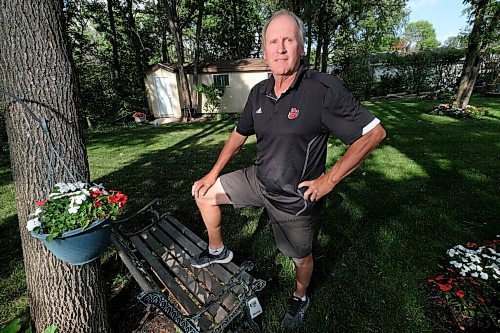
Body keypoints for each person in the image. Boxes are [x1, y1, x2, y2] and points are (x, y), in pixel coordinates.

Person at [190, 10, 386, 329]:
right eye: (273, 41)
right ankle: (217, 250)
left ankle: (300, 296)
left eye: (288, 40)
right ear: (265, 50)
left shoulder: (322, 89)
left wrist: (329, 180)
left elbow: (374, 133)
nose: (280, 48)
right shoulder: (259, 92)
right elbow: (239, 135)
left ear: (300, 47)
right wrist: (213, 173)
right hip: (258, 181)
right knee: (204, 194)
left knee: (300, 258)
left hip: (295, 201)